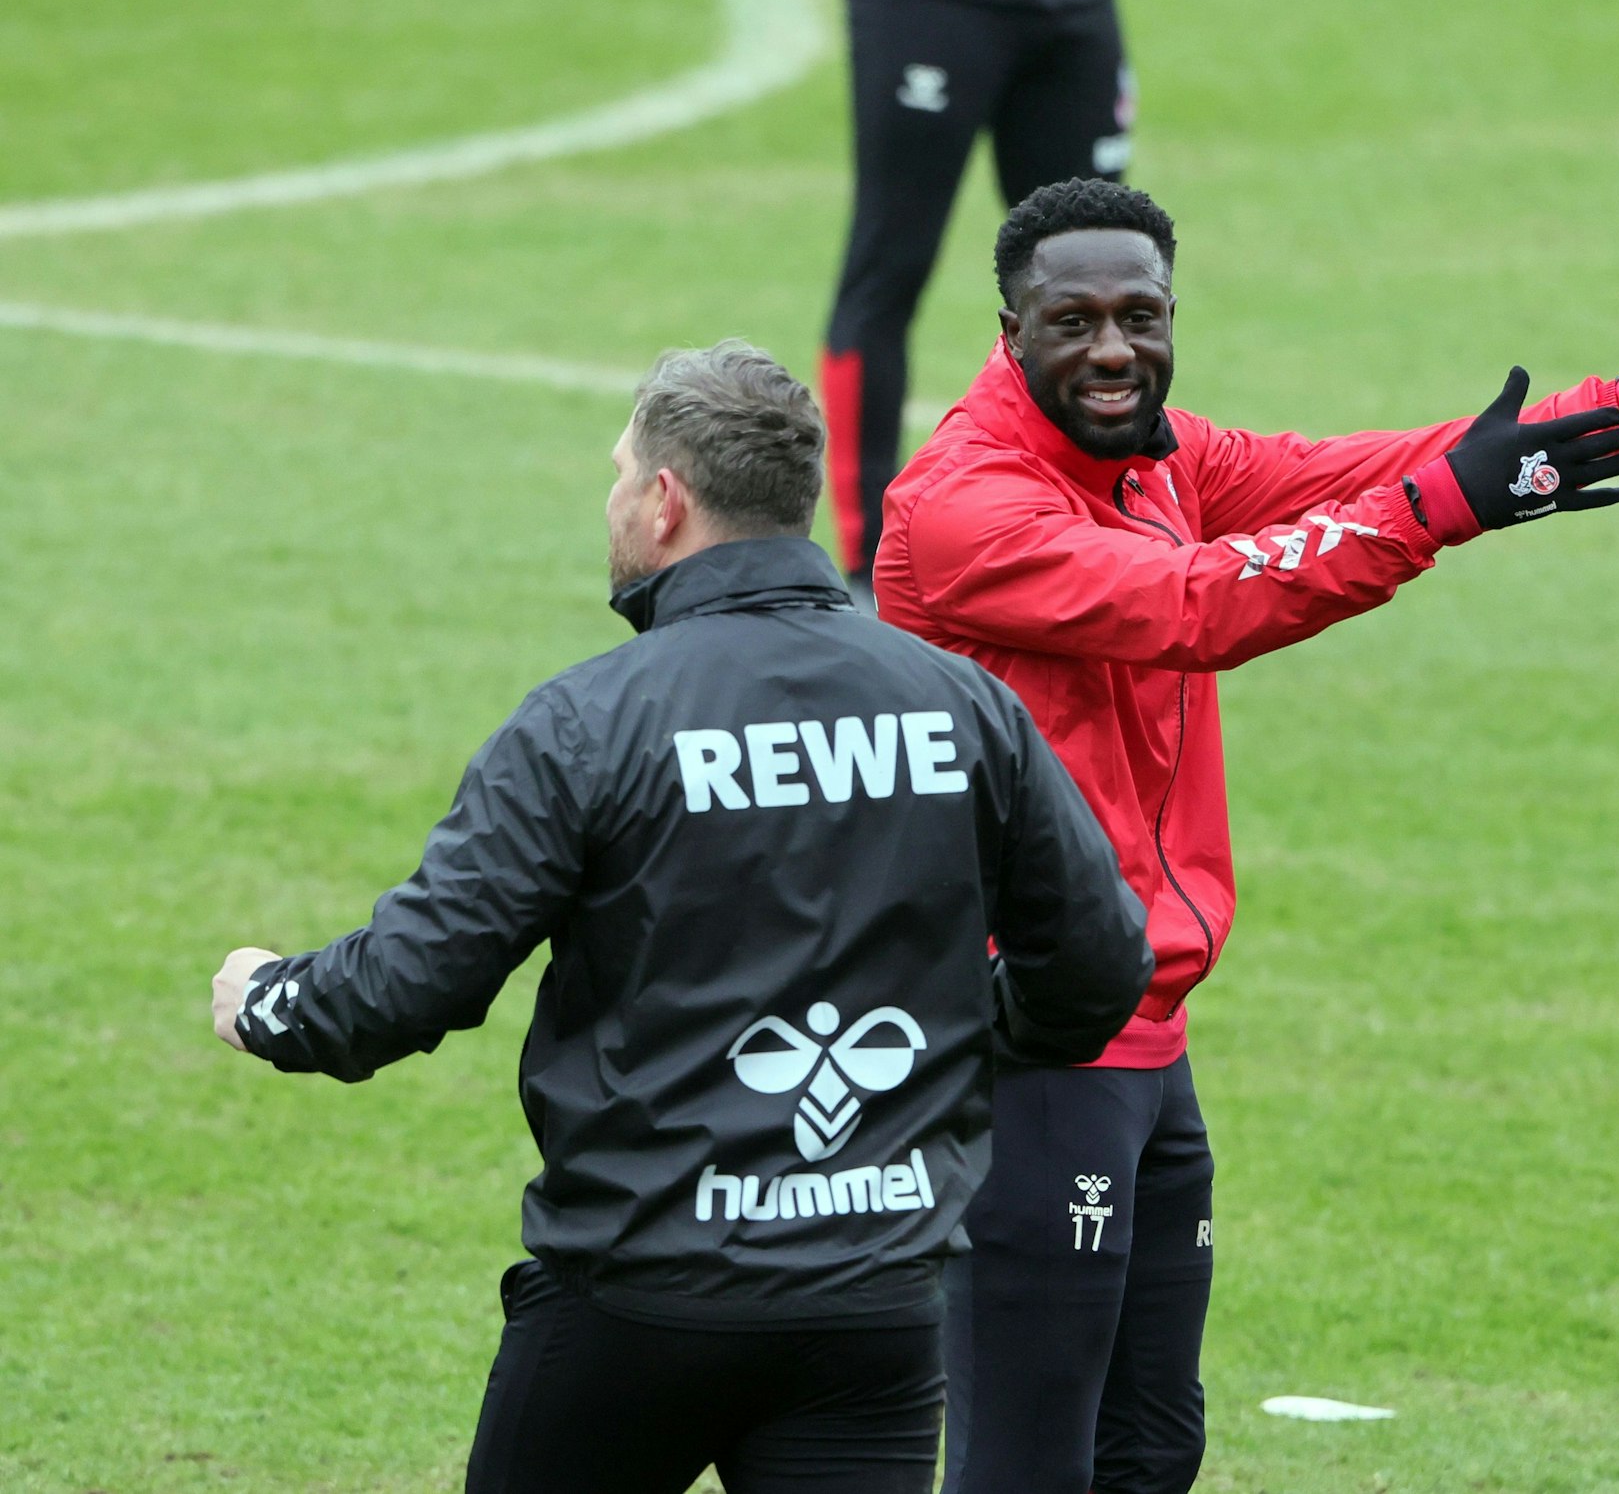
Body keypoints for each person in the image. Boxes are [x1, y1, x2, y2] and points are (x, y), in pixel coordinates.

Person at [871, 177, 1619, 1494]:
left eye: (1141, 315)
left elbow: (1359, 470)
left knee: (1149, 1450)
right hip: (1030, 1041)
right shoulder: (968, 506)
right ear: (1010, 329)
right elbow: (1195, 606)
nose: (1115, 349)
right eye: (1075, 321)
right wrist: (1447, 507)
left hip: (1142, 1030)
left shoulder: (1155, 457)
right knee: (1030, 1465)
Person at [207, 340, 1156, 1494]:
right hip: (871, 1312)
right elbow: (1103, 964)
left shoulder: (586, 723)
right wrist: (963, 1039)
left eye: (618, 475)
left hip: (635, 1303)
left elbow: (413, 983)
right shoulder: (955, 701)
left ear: (665, 501)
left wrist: (268, 999)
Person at [822, 0, 1133, 602]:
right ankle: (870, 577)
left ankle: (1098, 534)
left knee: (1098, 283)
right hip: (933, 13)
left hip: (1075, 11)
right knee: (889, 266)